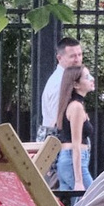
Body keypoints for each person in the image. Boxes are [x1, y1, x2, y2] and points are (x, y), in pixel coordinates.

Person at [36, 36, 85, 187]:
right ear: (59, 58)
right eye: (72, 56)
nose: (78, 59)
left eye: (80, 54)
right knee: (64, 191)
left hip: (56, 143)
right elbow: (57, 121)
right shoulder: (61, 83)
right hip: (57, 144)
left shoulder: (64, 79)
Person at [51, 65, 97, 193]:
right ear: (76, 84)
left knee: (77, 205)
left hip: (69, 161)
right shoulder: (76, 107)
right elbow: (76, 145)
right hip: (73, 161)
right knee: (95, 200)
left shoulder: (73, 105)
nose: (92, 79)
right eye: (87, 77)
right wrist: (79, 181)